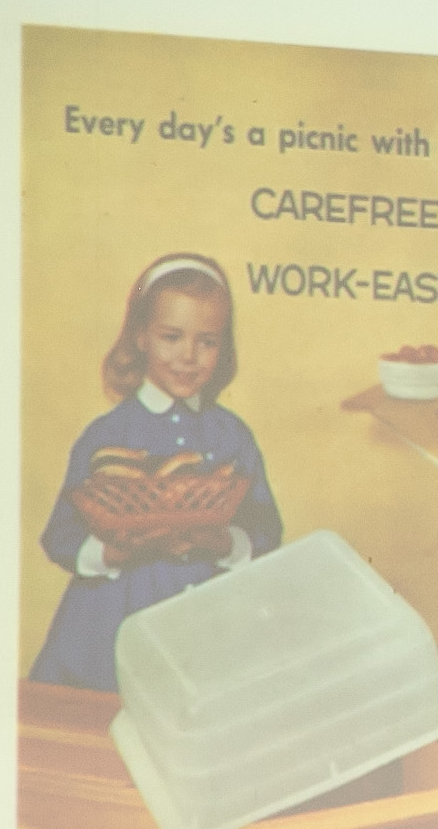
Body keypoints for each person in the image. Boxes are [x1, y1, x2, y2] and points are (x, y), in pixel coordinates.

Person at [27, 254, 282, 690]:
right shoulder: (105, 436)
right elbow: (60, 536)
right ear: (141, 336)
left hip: (208, 619)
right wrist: (112, 552)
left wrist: (225, 542)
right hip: (112, 618)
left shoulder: (233, 435)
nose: (188, 357)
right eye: (171, 337)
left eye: (207, 342)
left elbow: (266, 529)